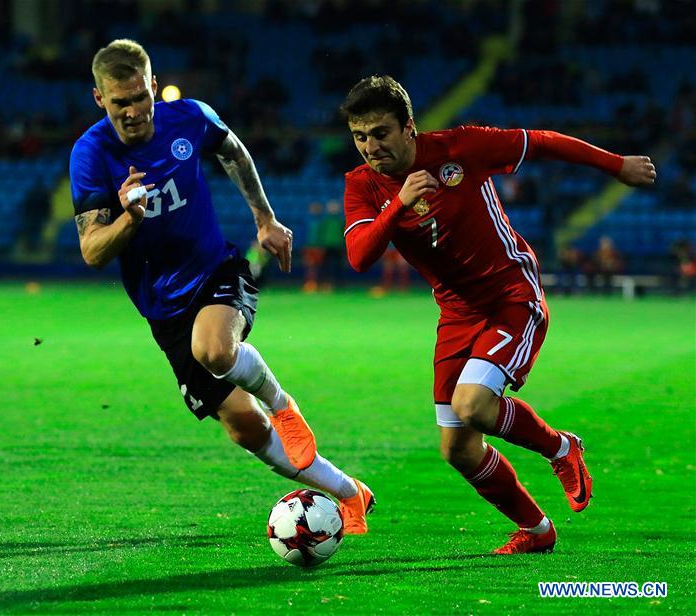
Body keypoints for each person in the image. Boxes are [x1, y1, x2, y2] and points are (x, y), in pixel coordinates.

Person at [339, 75, 656, 553]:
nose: (370, 147)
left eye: (380, 133)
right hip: (456, 313)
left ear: (409, 128)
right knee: (459, 449)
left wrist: (616, 166)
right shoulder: (361, 186)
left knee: (473, 406)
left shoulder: (460, 147)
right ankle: (536, 530)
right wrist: (398, 206)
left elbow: (541, 142)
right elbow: (360, 256)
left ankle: (561, 448)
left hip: (510, 295)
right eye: (360, 136)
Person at [69, 39, 373, 533]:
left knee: (215, 349)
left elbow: (233, 151)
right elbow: (92, 251)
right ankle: (348, 491)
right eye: (118, 102)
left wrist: (265, 218)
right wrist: (129, 219)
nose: (132, 111)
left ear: (152, 86)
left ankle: (284, 405)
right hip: (162, 310)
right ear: (99, 99)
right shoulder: (90, 154)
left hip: (216, 272)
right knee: (244, 428)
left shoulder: (189, 117)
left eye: (139, 97)